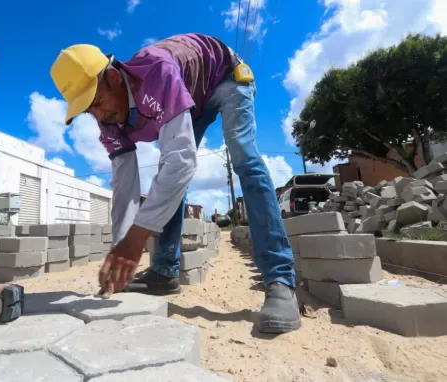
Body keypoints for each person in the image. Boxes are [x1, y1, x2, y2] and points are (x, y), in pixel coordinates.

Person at [50, 33, 301, 333]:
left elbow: (183, 160)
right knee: (169, 170)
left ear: (115, 77)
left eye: (98, 102)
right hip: (191, 99)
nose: (99, 115)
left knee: (242, 155)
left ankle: (280, 280)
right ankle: (165, 271)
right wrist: (121, 250)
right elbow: (124, 189)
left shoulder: (156, 73)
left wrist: (137, 238)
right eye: (88, 110)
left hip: (225, 76)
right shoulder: (109, 123)